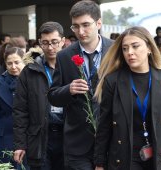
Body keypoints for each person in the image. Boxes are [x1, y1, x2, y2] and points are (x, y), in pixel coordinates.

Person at [94, 26, 161, 170]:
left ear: (149, 47)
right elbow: (104, 124)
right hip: (124, 157)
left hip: (159, 157)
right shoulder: (113, 81)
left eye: (135, 46)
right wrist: (99, 163)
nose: (129, 52)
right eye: (125, 48)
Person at [47, 1, 113, 169]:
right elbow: (53, 96)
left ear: (98, 23)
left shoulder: (115, 51)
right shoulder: (64, 55)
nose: (80, 31)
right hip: (77, 143)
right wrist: (68, 90)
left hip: (111, 140)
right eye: (75, 26)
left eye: (85, 25)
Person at [13, 21, 65, 170]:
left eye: (54, 42)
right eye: (45, 43)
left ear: (62, 41)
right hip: (40, 135)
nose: (50, 48)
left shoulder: (73, 67)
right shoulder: (30, 71)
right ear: (40, 43)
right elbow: (20, 110)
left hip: (68, 135)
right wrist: (20, 144)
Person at [0, 47, 26, 167]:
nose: (13, 67)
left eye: (17, 62)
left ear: (24, 62)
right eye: (9, 63)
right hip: (4, 138)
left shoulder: (32, 81)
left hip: (27, 137)